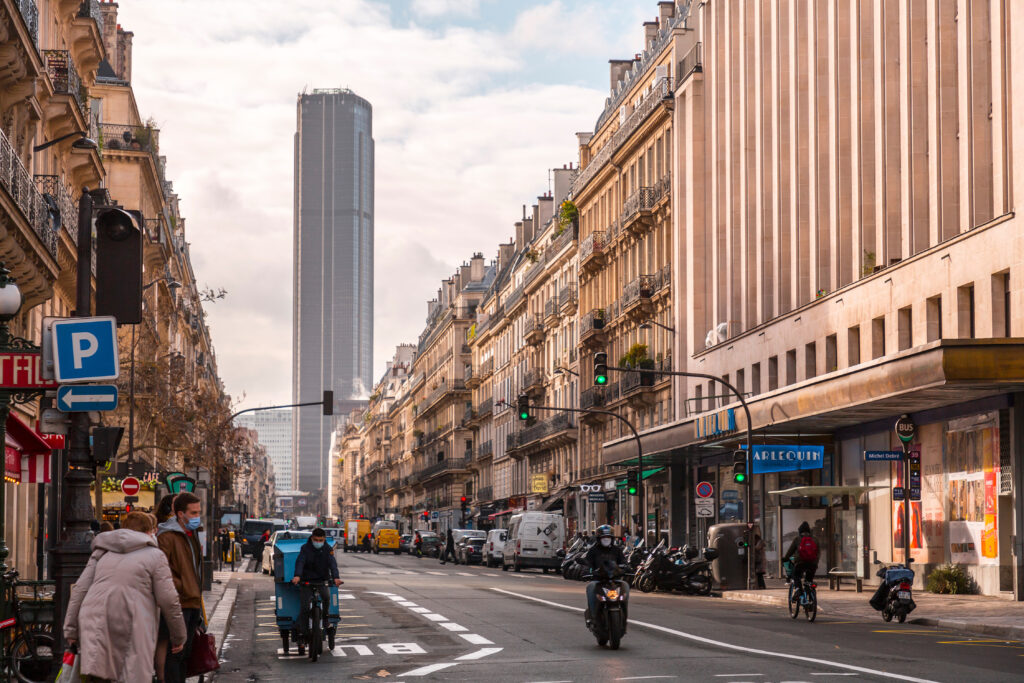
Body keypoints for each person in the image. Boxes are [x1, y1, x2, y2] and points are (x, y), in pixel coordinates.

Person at [63, 511, 186, 683]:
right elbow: (169, 600)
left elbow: (80, 590)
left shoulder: (102, 553)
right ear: (149, 532)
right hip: (133, 621)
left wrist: (71, 629)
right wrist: (178, 636)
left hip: (95, 619)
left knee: (99, 675)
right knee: (130, 674)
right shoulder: (155, 556)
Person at [157, 492, 204, 683]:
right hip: (179, 602)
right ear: (180, 514)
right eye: (193, 513)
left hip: (192, 602)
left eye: (198, 512)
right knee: (175, 655)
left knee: (186, 655)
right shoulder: (167, 536)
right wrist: (182, 586)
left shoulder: (191, 534)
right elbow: (161, 570)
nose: (196, 517)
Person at [291, 528, 342, 647]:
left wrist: (336, 577)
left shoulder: (328, 549)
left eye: (321, 540)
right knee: (304, 608)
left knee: (326, 598)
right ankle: (303, 634)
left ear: (324, 540)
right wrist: (297, 576)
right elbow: (300, 562)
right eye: (316, 540)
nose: (318, 542)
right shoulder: (305, 548)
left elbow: (332, 564)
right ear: (312, 538)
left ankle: (325, 620)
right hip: (306, 581)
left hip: (321, 580)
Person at [581, 525, 629, 625]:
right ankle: (593, 615)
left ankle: (624, 615)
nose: (606, 540)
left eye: (608, 537)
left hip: (614, 580)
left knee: (625, 585)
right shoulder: (593, 551)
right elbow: (587, 563)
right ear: (599, 539)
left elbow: (624, 561)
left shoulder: (617, 550)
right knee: (591, 586)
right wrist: (587, 570)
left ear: (612, 539)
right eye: (603, 537)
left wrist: (626, 567)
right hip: (598, 580)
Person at [782, 521, 820, 589]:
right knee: (809, 580)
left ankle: (798, 590)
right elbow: (818, 552)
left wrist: (785, 558)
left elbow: (790, 551)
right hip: (812, 564)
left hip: (800, 563)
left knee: (796, 576)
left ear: (800, 531)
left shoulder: (797, 539)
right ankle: (811, 595)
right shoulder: (815, 539)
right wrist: (816, 562)